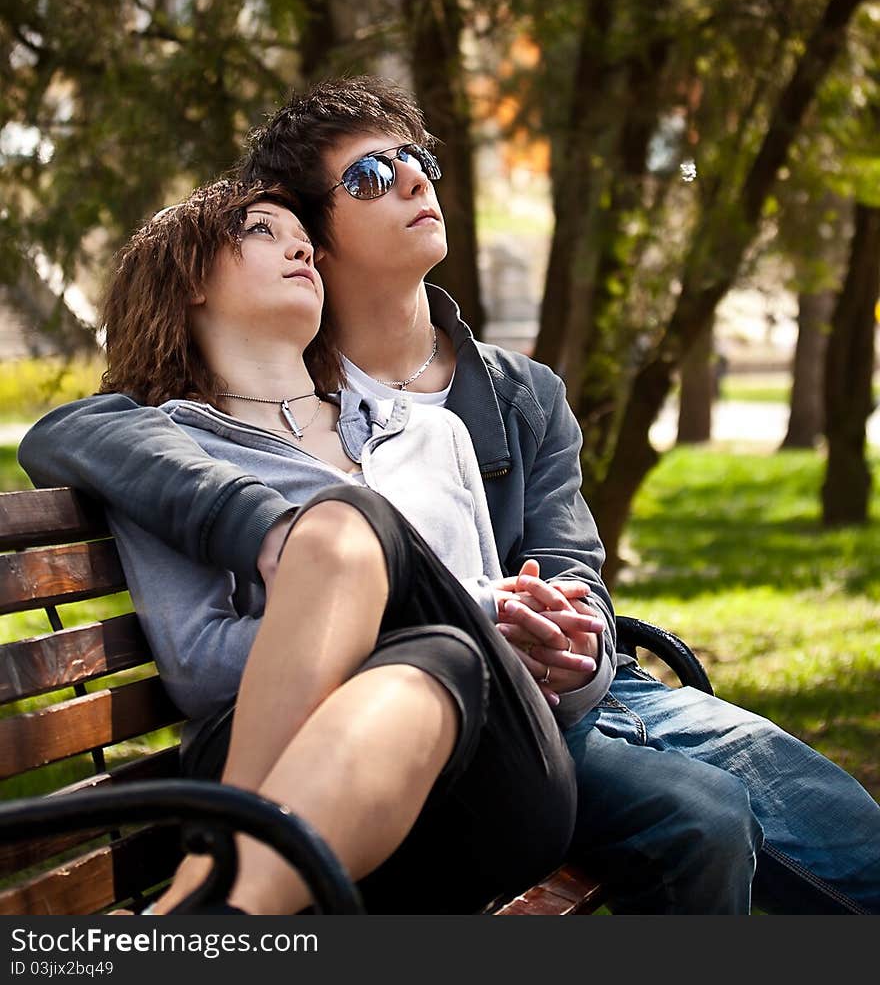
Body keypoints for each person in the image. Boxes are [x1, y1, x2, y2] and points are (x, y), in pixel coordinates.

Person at [20, 77, 880, 914]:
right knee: (698, 818)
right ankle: (221, 893)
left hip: (549, 698)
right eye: (368, 175)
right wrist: (278, 531)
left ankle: (215, 898)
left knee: (852, 843)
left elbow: (571, 571)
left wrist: (576, 636)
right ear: (318, 232)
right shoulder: (197, 427)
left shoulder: (486, 406)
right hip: (432, 717)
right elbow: (71, 433)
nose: (414, 180)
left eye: (418, 158)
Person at [83, 178, 578, 916]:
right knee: (432, 648)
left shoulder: (429, 431)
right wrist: (440, 616)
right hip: (279, 769)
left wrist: (531, 636)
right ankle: (204, 927)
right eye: (259, 230)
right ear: (187, 280)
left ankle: (196, 889)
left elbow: (491, 639)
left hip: (481, 782)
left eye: (304, 238)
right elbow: (195, 660)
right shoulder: (167, 454)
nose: (300, 247)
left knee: (428, 624)